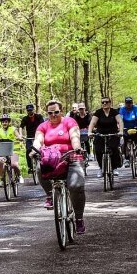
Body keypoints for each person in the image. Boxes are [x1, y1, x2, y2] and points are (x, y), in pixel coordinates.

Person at [31, 100, 87, 233]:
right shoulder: (43, 126)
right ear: (47, 113)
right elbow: (38, 140)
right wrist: (35, 149)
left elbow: (74, 136)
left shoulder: (69, 122)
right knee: (39, 167)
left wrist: (77, 147)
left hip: (71, 156)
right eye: (50, 113)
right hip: (51, 158)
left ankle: (78, 219)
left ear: (61, 111)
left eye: (56, 112)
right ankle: (50, 194)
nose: (53, 115)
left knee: (76, 186)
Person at [87, 97, 123, 178]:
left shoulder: (114, 112)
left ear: (110, 103)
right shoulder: (98, 112)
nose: (104, 104)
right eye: (103, 102)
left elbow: (120, 121)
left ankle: (114, 168)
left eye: (106, 102)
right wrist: (89, 132)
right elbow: (92, 123)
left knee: (114, 148)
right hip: (100, 134)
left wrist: (121, 131)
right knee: (98, 149)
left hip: (113, 134)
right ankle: (101, 168)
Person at [0, 113, 21, 186]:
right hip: (3, 150)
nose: (4, 123)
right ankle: (2, 180)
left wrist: (19, 137)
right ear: (1, 123)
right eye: (3, 122)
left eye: (6, 122)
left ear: (8, 122)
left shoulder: (13, 129)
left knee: (14, 164)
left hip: (14, 149)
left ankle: (19, 175)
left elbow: (18, 135)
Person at [18, 104, 44, 176]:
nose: (30, 111)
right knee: (28, 151)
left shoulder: (39, 117)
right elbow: (21, 127)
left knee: (41, 150)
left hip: (38, 136)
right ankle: (30, 167)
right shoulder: (25, 118)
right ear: (27, 111)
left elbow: (43, 125)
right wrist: (20, 135)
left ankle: (44, 165)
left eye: (31, 110)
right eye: (28, 110)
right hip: (29, 137)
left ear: (33, 110)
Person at [118, 97, 137, 165]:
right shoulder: (122, 109)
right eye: (127, 103)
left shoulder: (135, 108)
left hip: (135, 126)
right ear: (125, 103)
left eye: (130, 102)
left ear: (132, 103)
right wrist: (119, 127)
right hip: (125, 127)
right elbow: (120, 119)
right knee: (125, 141)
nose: (129, 104)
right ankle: (126, 159)